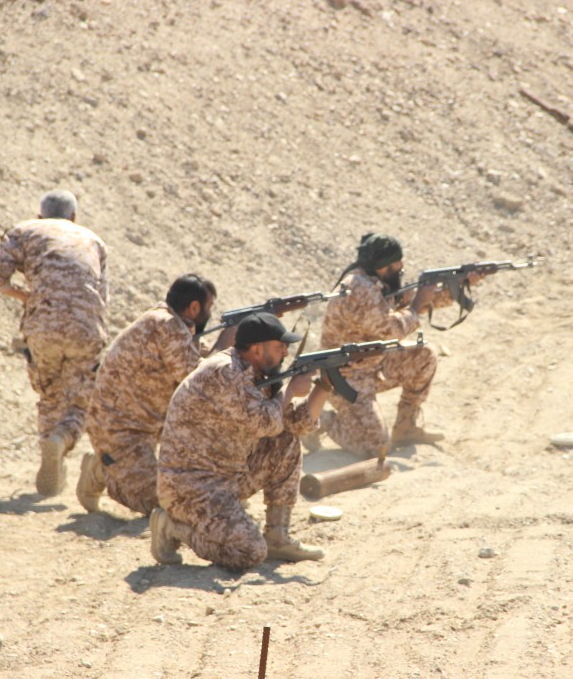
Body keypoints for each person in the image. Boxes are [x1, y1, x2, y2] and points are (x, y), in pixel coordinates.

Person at [150, 312, 329, 570]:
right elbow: (264, 422)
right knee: (249, 552)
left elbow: (296, 424)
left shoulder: (255, 372)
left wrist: (324, 386)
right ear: (256, 349)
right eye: (280, 347)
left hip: (226, 476)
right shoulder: (225, 372)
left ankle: (277, 537)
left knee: (285, 440)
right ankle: (174, 527)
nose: (285, 353)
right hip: (191, 488)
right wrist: (290, 390)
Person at [76, 273, 235, 515]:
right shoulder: (167, 326)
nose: (210, 313)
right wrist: (226, 341)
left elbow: (197, 357)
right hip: (120, 433)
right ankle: (103, 468)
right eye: (209, 306)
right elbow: (198, 380)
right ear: (194, 307)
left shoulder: (169, 322)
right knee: (165, 505)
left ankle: (110, 463)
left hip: (145, 424)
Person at [0, 189, 108, 496]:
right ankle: (63, 439)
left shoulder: (25, 230)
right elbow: (101, 297)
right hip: (86, 328)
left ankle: (48, 447)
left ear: (40, 215)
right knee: (81, 397)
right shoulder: (94, 241)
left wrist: (27, 297)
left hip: (43, 327)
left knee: (50, 392)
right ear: (73, 217)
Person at [312, 233, 477, 458]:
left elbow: (416, 302)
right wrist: (417, 305)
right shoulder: (358, 288)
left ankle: (406, 427)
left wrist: (459, 286)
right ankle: (317, 420)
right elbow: (391, 329)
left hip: (372, 366)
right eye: (398, 262)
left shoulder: (376, 282)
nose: (402, 266)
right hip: (344, 379)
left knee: (423, 355)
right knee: (375, 447)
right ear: (384, 265)